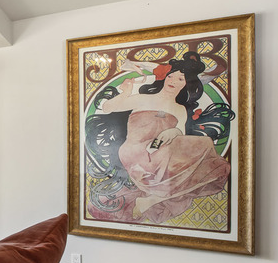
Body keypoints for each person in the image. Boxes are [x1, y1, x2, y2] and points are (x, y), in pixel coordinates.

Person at [84, 51, 234, 224]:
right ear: (165, 77)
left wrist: (174, 132)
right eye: (171, 76)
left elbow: (183, 140)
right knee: (176, 154)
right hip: (135, 151)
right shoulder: (143, 98)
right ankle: (153, 199)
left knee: (201, 148)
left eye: (180, 79)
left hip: (162, 152)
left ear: (187, 84)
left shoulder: (180, 109)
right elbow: (109, 107)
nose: (173, 81)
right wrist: (126, 90)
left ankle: (151, 200)